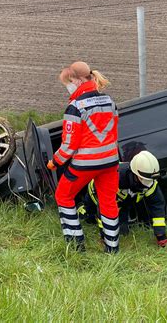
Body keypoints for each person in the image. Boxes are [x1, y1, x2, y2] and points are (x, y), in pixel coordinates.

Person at [47, 61, 120, 253]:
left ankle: (76, 246)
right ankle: (112, 249)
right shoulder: (109, 101)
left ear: (76, 80)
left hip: (85, 165)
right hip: (111, 162)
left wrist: (55, 162)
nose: (67, 88)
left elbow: (69, 145)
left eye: (67, 83)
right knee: (108, 202)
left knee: (63, 195)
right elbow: (113, 131)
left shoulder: (75, 107)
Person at [80, 151, 167, 247]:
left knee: (123, 233)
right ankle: (82, 210)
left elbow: (157, 206)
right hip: (97, 195)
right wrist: (105, 238)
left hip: (122, 203)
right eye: (143, 180)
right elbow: (103, 209)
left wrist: (161, 236)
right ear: (134, 173)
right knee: (88, 218)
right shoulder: (114, 178)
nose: (146, 185)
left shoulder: (150, 182)